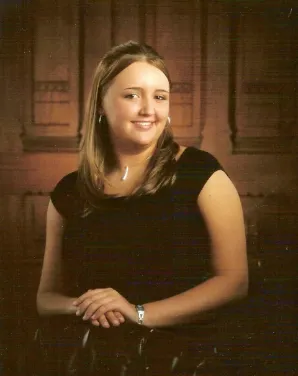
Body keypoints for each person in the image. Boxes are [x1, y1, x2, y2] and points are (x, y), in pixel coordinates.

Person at [36, 41, 248, 375]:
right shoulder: (68, 191)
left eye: (160, 96)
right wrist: (94, 307)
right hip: (92, 354)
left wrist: (136, 312)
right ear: (101, 106)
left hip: (183, 355)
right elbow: (46, 299)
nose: (149, 109)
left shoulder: (201, 172)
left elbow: (233, 282)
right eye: (132, 95)